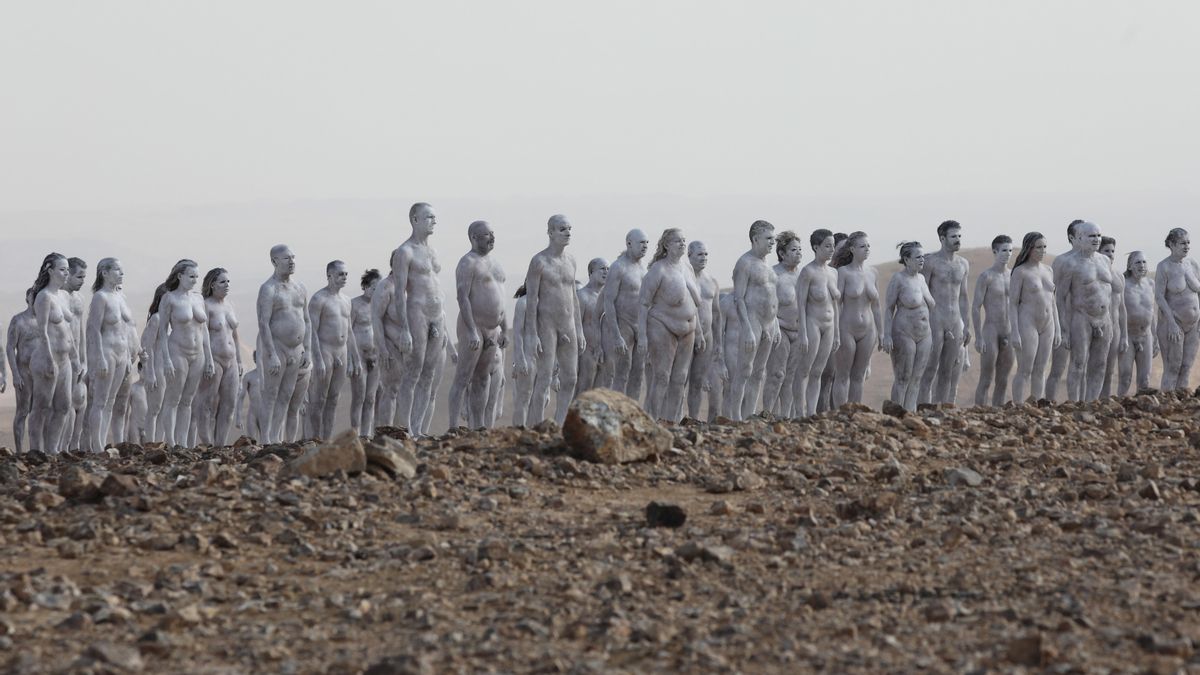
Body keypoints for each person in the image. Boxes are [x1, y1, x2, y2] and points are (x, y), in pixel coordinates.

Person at [388, 202, 446, 434]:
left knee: (429, 373)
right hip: (417, 313)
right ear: (414, 219)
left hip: (436, 315)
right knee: (414, 371)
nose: (434, 221)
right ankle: (406, 428)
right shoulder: (405, 252)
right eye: (429, 217)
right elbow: (400, 292)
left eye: (434, 217)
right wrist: (403, 328)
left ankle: (419, 429)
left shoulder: (432, 251)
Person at [638, 229, 705, 421]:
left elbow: (694, 303)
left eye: (684, 240)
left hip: (689, 329)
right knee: (661, 377)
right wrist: (642, 336)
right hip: (663, 325)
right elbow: (643, 303)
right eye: (677, 241)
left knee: (679, 379)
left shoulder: (687, 267)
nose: (682, 244)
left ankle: (672, 421)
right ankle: (653, 419)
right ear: (667, 245)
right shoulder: (658, 270)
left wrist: (699, 332)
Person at [524, 215, 585, 425]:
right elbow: (531, 299)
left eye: (569, 228)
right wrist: (532, 334)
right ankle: (536, 426)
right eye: (561, 229)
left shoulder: (572, 261)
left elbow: (574, 297)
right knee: (544, 377)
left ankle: (559, 424)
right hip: (546, 324)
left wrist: (579, 328)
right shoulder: (539, 261)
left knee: (570, 378)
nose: (567, 232)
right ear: (550, 232)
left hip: (567, 323)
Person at [449, 221, 508, 428]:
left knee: (483, 378)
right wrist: (472, 330)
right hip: (472, 326)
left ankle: (479, 425)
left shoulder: (496, 264)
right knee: (464, 377)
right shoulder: (467, 263)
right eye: (486, 235)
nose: (491, 237)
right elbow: (462, 297)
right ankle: (453, 426)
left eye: (492, 233)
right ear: (474, 237)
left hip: (493, 328)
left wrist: (505, 326)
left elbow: (502, 297)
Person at [726, 220, 782, 421]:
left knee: (760, 372)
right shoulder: (745, 263)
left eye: (773, 239)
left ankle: (749, 414)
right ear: (755, 239)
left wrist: (775, 323)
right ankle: (735, 416)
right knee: (745, 370)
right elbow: (738, 298)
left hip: (769, 322)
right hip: (752, 321)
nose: (772, 242)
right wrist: (747, 328)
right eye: (768, 239)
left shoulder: (767, 264)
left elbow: (772, 295)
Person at [1056, 221, 1118, 401]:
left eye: (1098, 235)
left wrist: (1112, 323)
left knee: (1100, 364)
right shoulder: (1070, 263)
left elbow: (1111, 291)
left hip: (1104, 318)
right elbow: (1060, 297)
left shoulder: (1105, 260)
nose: (1096, 239)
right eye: (1092, 236)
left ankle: (1092, 402)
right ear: (1080, 238)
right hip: (1082, 316)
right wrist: (1064, 328)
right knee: (1078, 362)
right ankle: (1074, 403)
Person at [256, 245, 312, 443]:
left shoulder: (300, 288)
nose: (291, 261)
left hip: (296, 349)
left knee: (286, 395)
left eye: (293, 257)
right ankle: (265, 439)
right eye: (286, 258)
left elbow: (306, 319)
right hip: (277, 347)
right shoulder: (268, 289)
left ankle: (275, 437)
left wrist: (308, 348)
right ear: (274, 261)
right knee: (271, 395)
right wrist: (270, 354)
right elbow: (263, 323)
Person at [156, 259, 214, 447]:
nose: (194, 280)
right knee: (173, 398)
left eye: (197, 276)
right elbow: (163, 332)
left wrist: (210, 357)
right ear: (180, 276)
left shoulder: (198, 298)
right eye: (191, 276)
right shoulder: (169, 298)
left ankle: (183, 442)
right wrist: (166, 360)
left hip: (198, 354)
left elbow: (204, 329)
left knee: (188, 400)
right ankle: (171, 442)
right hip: (177, 352)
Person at [83, 258, 139, 453]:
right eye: (117, 270)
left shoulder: (120, 297)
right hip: (107, 352)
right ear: (104, 273)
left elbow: (128, 327)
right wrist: (99, 356)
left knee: (111, 401)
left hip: (123, 353)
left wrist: (133, 354)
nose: (121, 274)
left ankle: (105, 442)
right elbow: (93, 329)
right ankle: (97, 445)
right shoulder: (100, 297)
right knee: (100, 400)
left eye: (122, 270)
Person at [28, 253, 80, 453]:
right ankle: (35, 450)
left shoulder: (64, 296)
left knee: (64, 406)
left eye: (67, 269)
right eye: (62, 269)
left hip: (65, 359)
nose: (66, 273)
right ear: (50, 270)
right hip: (46, 359)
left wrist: (75, 357)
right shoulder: (43, 297)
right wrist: (49, 359)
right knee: (41, 406)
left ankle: (53, 450)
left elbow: (68, 330)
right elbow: (42, 331)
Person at [918, 221, 970, 405]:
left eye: (959, 236)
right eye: (953, 236)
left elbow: (964, 296)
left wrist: (967, 325)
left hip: (955, 320)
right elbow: (922, 293)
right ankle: (924, 410)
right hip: (934, 319)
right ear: (942, 238)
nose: (958, 240)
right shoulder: (930, 262)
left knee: (948, 370)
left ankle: (941, 411)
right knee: (929, 368)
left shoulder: (963, 264)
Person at [308, 260, 361, 439]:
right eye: (340, 274)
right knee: (319, 399)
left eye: (346, 274)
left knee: (333, 399)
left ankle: (327, 438)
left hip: (342, 351)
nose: (344, 277)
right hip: (325, 350)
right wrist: (318, 358)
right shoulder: (319, 299)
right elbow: (312, 331)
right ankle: (314, 438)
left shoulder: (346, 300)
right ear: (330, 276)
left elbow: (349, 330)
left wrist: (355, 357)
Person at [881, 242, 935, 411]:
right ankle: (896, 414)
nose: (922, 260)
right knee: (903, 377)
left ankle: (910, 413)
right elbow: (889, 308)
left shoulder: (921, 278)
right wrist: (887, 335)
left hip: (925, 333)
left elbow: (930, 306)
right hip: (904, 332)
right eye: (918, 257)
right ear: (906, 259)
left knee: (917, 378)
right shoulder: (898, 279)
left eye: (923, 256)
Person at [1009, 232, 1061, 403]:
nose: (1042, 251)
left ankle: (1037, 404)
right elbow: (1013, 304)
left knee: (1041, 369)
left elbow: (1053, 302)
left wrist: (1058, 330)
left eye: (1044, 247)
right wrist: (1015, 332)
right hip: (1028, 322)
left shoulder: (1049, 270)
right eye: (1039, 247)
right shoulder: (1020, 272)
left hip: (1049, 324)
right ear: (1029, 248)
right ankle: (1018, 405)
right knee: (1025, 369)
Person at [196, 268, 244, 447]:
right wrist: (208, 360)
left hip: (231, 360)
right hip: (214, 359)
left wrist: (239, 360)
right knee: (207, 403)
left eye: (228, 282)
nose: (227, 285)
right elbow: (203, 335)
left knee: (229, 404)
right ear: (212, 284)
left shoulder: (229, 305)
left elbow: (235, 335)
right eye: (223, 282)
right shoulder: (206, 305)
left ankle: (220, 444)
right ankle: (207, 442)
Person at [832, 232, 882, 406]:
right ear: (852, 249)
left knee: (859, 376)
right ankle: (839, 413)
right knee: (843, 375)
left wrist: (882, 332)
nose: (867, 249)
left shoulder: (873, 273)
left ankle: (855, 412)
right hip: (846, 328)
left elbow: (876, 305)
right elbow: (836, 304)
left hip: (868, 330)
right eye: (862, 246)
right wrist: (835, 332)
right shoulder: (843, 273)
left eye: (868, 246)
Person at [795, 229, 840, 417]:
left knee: (818, 371)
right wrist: (803, 333)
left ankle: (812, 412)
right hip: (812, 323)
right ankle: (799, 412)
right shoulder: (808, 272)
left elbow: (835, 305)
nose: (831, 249)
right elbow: (801, 304)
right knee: (805, 370)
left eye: (833, 246)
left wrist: (836, 332)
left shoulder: (833, 272)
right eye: (827, 246)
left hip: (829, 325)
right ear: (816, 247)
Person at [600, 229, 651, 397]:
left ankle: (632, 413)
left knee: (638, 372)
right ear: (629, 244)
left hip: (640, 325)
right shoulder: (618, 267)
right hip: (623, 324)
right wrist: (616, 336)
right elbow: (608, 301)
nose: (645, 246)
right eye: (641, 242)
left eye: (647, 243)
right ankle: (617, 412)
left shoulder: (644, 269)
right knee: (622, 371)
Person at [762, 231, 805, 417]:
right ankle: (767, 414)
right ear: (782, 253)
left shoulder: (804, 276)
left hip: (799, 331)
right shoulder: (774, 275)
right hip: (780, 330)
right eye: (793, 250)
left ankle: (785, 417)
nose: (798, 253)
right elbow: (766, 307)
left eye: (800, 250)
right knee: (776, 375)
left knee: (791, 377)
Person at [1154, 227, 1200, 391]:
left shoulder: (1193, 264)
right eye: (1182, 243)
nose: (1187, 246)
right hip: (1174, 323)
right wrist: (1172, 323)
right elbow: (1159, 297)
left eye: (1188, 242)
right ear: (1172, 244)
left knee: (1187, 366)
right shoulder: (1164, 267)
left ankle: (1181, 406)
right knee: (1173, 367)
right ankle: (1167, 402)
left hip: (1194, 325)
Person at [971, 236, 1014, 406]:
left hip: (1009, 330)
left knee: (1003, 379)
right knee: (987, 377)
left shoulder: (1014, 275)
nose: (1008, 254)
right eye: (1004, 250)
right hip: (991, 329)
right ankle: (979, 412)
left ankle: (998, 413)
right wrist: (979, 337)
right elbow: (976, 307)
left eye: (1010, 251)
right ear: (995, 252)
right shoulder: (986, 276)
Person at [1045, 220, 1085, 400]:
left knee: (1081, 367)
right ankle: (1049, 405)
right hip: (1063, 320)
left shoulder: (1091, 261)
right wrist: (1061, 326)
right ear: (1072, 237)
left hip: (1083, 322)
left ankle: (1080, 403)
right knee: (1057, 368)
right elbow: (1053, 294)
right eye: (1080, 234)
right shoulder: (1061, 261)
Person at [685, 241, 723, 421]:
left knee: (697, 381)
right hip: (685, 334)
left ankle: (693, 419)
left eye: (706, 254)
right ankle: (673, 417)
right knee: (679, 379)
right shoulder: (684, 278)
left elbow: (716, 314)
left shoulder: (712, 282)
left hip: (707, 337)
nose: (704, 258)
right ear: (689, 255)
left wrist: (718, 342)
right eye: (700, 254)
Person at [1119, 251, 1157, 395]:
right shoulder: (1123, 284)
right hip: (1128, 335)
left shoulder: (1150, 284)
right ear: (1130, 266)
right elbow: (1119, 311)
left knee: (1145, 378)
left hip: (1146, 335)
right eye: (1138, 262)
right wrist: (1121, 336)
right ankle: (1119, 407)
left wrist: (1155, 337)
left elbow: (1151, 312)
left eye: (1144, 262)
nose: (1142, 265)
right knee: (1125, 377)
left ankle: (1140, 409)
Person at [350, 269, 382, 436]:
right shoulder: (355, 304)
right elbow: (349, 331)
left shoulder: (381, 305)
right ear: (365, 286)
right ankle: (355, 433)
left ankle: (366, 434)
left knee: (371, 398)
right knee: (359, 397)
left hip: (375, 356)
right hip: (359, 356)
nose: (376, 291)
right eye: (373, 287)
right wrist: (353, 357)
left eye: (379, 288)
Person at [7, 289, 37, 452]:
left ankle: (37, 449)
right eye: (33, 295)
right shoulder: (18, 320)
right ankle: (19, 450)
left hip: (42, 376)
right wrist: (15, 374)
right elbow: (10, 348)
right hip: (24, 373)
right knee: (23, 410)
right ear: (27, 297)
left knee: (39, 412)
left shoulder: (45, 320)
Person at [1097, 237, 1128, 397]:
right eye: (1106, 251)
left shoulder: (1119, 276)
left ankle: (1104, 403)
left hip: (1115, 327)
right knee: (1095, 367)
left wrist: (1124, 336)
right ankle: (1085, 403)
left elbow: (1122, 308)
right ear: (1098, 252)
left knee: (1109, 370)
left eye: (1112, 251)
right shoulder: (1093, 274)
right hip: (1097, 326)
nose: (1110, 254)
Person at [64, 257, 88, 451]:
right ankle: (57, 447)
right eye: (79, 276)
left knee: (80, 400)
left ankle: (74, 445)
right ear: (68, 275)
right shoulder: (58, 297)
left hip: (78, 361)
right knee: (64, 404)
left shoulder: (79, 299)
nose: (82, 281)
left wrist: (84, 360)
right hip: (62, 357)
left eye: (84, 277)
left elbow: (81, 331)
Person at [575, 257, 608, 397]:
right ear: (591, 273)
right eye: (602, 268)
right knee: (584, 388)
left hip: (606, 352)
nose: (606, 272)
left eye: (608, 269)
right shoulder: (582, 296)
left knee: (600, 393)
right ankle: (575, 418)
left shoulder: (609, 298)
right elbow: (576, 325)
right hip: (587, 351)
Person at [141, 285, 169, 442]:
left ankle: (159, 442)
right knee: (154, 409)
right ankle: (150, 443)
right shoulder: (157, 319)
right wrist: (150, 373)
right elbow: (147, 346)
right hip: (157, 368)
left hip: (167, 369)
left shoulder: (169, 319)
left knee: (165, 409)